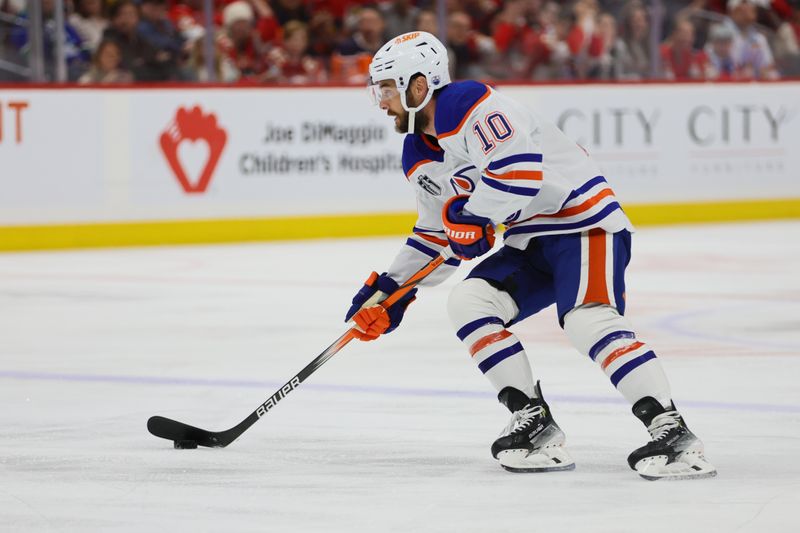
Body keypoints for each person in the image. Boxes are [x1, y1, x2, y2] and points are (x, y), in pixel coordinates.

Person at [345, 31, 717, 480]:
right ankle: (534, 422)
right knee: (470, 303)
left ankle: (671, 430)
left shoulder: (469, 104)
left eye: (386, 88)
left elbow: (518, 174)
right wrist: (392, 290)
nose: (380, 101)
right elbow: (435, 235)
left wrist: (474, 217)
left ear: (418, 86)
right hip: (530, 238)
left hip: (583, 222)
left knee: (587, 320)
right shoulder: (418, 154)